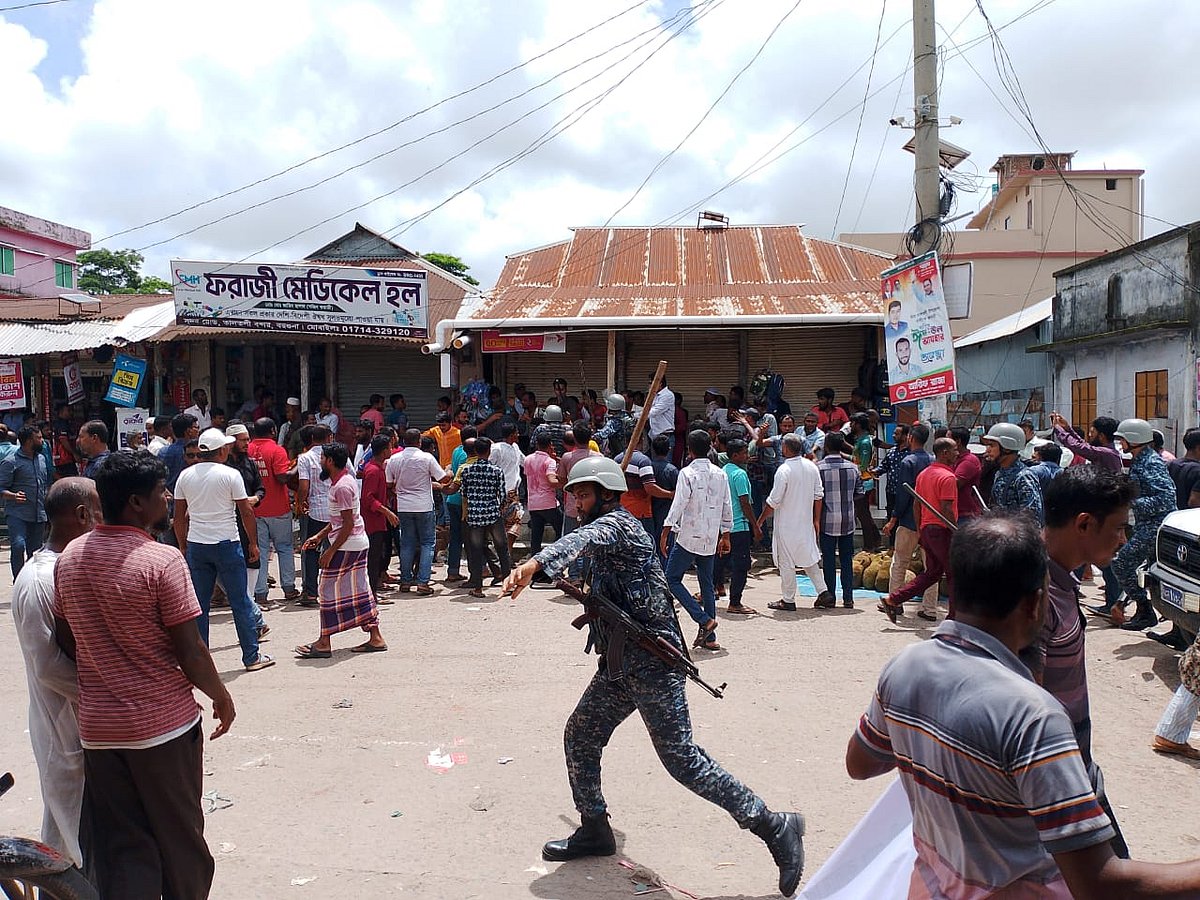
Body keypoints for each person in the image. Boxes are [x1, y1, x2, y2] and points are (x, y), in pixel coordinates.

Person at [846, 512, 1200, 898]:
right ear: (1036, 603)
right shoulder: (1034, 716)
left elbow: (860, 763)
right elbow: (1099, 884)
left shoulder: (905, 666)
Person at [502, 457, 806, 898]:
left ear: (607, 495)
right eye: (576, 494)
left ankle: (774, 825)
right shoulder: (603, 529)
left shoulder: (619, 526)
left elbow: (588, 537)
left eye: (584, 494)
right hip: (619, 666)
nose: (577, 502)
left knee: (681, 759)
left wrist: (534, 564)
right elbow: (587, 550)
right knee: (581, 735)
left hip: (653, 665)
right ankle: (595, 828)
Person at [53, 451, 235, 899]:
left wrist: (107, 664)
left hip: (98, 730)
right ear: (136, 502)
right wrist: (221, 696)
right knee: (182, 843)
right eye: (161, 491)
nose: (168, 497)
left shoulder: (70, 557)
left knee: (124, 847)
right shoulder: (161, 560)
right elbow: (190, 650)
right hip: (160, 727)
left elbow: (66, 636)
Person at [1040, 467, 1134, 856]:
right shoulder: (1034, 598)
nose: (1124, 540)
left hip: (1077, 762)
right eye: (1118, 528)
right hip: (1054, 777)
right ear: (1083, 524)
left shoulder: (1061, 582)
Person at [12, 477, 99, 867]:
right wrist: (102, 693)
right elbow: (47, 665)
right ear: (82, 515)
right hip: (64, 724)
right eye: (100, 511)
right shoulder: (38, 580)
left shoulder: (67, 567)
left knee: (68, 831)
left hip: (78, 725)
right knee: (70, 832)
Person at [174, 428, 273, 672]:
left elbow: (178, 517)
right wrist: (252, 542)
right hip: (227, 544)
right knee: (240, 601)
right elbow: (246, 511)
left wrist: (183, 545)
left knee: (199, 605)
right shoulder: (230, 475)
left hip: (198, 545)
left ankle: (200, 662)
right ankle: (251, 656)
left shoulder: (185, 476)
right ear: (221, 450)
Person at [296, 442, 388, 657]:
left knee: (327, 591)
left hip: (347, 544)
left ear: (329, 461)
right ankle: (375, 636)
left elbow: (347, 524)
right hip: (352, 542)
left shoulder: (342, 486)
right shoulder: (342, 482)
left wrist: (330, 550)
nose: (320, 462)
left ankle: (324, 641)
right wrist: (320, 536)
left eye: (322, 459)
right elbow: (341, 519)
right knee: (360, 590)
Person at [661, 430, 732, 652]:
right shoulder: (720, 473)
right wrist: (726, 533)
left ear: (689, 450)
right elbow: (727, 504)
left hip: (688, 536)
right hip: (710, 536)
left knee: (671, 579)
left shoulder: (687, 473)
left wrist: (665, 530)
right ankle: (710, 637)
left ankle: (702, 619)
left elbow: (679, 503)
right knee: (707, 584)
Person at [1111, 417, 1177, 631]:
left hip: (1154, 527)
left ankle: (1145, 609)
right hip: (1145, 526)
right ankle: (1167, 623)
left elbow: (1166, 498)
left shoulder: (1151, 462)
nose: (1121, 445)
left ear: (1134, 439)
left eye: (1123, 440)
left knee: (1121, 563)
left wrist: (1131, 502)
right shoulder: (1141, 460)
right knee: (1157, 574)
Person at [883, 437, 958, 623]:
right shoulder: (948, 477)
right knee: (954, 572)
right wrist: (956, 531)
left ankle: (893, 599)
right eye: (955, 450)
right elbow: (947, 508)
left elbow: (917, 504)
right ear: (945, 453)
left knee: (932, 573)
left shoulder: (924, 474)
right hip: (942, 530)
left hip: (927, 528)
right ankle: (955, 618)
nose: (958, 453)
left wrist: (920, 529)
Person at [759, 433, 833, 611]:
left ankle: (788, 599)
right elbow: (819, 496)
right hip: (805, 522)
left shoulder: (784, 470)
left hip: (786, 525)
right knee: (808, 559)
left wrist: (760, 520)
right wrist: (815, 519)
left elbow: (773, 501)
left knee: (786, 562)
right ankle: (824, 592)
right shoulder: (811, 467)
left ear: (785, 448)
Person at [882, 424, 936, 618]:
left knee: (900, 562)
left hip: (909, 521)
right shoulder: (932, 460)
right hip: (930, 520)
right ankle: (929, 609)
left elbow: (904, 494)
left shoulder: (908, 461)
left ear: (911, 438)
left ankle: (895, 602)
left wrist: (893, 518)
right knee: (931, 567)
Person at [387, 427, 448, 595]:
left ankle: (405, 581)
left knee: (407, 543)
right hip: (424, 506)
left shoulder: (394, 459)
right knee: (427, 543)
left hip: (404, 506)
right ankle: (422, 582)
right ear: (419, 442)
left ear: (403, 442)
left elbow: (389, 483)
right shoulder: (426, 458)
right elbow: (443, 478)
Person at [451, 436, 513, 598]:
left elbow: (463, 493)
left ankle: (478, 587)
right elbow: (502, 494)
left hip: (474, 516)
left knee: (476, 551)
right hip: (493, 514)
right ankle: (507, 585)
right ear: (489, 451)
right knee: (502, 549)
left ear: (476, 451)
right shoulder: (496, 471)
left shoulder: (466, 471)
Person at [816, 432, 863, 610]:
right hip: (847, 520)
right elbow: (860, 493)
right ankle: (848, 598)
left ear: (826, 447)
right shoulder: (853, 468)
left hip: (826, 520)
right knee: (846, 561)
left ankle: (830, 597)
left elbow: (815, 496)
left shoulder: (818, 468)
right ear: (842, 445)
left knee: (828, 561)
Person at [715, 438, 760, 614]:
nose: (747, 456)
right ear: (735, 455)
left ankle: (709, 590)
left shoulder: (723, 471)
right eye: (744, 453)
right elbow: (744, 502)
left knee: (720, 561)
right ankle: (735, 602)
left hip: (723, 526)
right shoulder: (740, 474)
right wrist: (755, 526)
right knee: (742, 565)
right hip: (739, 526)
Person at [0, 423, 49, 577]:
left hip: (38, 513)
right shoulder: (10, 461)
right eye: (39, 438)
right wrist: (13, 496)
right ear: (28, 441)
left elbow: (45, 484)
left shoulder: (41, 459)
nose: (42, 441)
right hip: (17, 513)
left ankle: (32, 583)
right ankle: (19, 581)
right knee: (18, 545)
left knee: (35, 553)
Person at [360, 434, 399, 601]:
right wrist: (387, 512)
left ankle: (373, 593)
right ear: (384, 452)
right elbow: (368, 499)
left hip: (377, 521)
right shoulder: (373, 471)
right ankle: (371, 595)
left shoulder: (377, 468)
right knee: (373, 559)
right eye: (390, 447)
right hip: (372, 522)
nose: (392, 450)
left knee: (376, 557)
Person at [982, 422, 1044, 523]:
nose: (987, 450)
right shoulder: (999, 473)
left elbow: (1033, 518)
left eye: (992, 445)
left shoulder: (1024, 477)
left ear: (1006, 447)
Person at [443, 425, 477, 582]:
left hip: (453, 501)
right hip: (464, 502)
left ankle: (452, 570)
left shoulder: (457, 450)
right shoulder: (468, 456)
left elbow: (451, 467)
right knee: (472, 538)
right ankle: (477, 570)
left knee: (456, 537)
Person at [524, 431, 562, 556]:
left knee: (536, 536)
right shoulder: (549, 461)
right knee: (561, 530)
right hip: (548, 503)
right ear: (550, 444)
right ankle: (552, 556)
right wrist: (564, 483)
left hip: (533, 503)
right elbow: (551, 480)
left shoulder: (527, 459)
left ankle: (535, 564)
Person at [848, 413, 881, 551]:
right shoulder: (861, 440)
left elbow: (862, 465)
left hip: (864, 482)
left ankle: (870, 545)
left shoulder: (865, 442)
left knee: (863, 515)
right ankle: (875, 540)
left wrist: (845, 458)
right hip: (861, 482)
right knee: (864, 514)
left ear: (858, 424)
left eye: (852, 423)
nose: (850, 426)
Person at [490, 422, 525, 550]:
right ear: (511, 435)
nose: (518, 435)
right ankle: (504, 553)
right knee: (509, 522)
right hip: (500, 492)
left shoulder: (515, 447)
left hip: (513, 492)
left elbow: (524, 462)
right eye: (516, 433)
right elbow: (489, 465)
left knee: (514, 521)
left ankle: (505, 552)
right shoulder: (497, 448)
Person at [561, 423, 600, 534]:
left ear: (574, 438)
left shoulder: (567, 457)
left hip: (572, 506)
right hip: (592, 506)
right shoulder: (598, 457)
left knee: (568, 543)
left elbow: (562, 481)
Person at [648, 434, 679, 559]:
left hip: (649, 512)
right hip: (667, 514)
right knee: (666, 546)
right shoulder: (672, 470)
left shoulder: (647, 467)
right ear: (669, 449)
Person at [949, 426, 983, 519]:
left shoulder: (969, 461)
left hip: (966, 513)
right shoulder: (953, 459)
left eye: (948, 439)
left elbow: (954, 484)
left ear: (958, 442)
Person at [162, 413, 200, 492]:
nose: (198, 430)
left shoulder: (163, 451)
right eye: (196, 427)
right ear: (189, 431)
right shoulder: (196, 452)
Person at [594, 393, 635, 457]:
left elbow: (602, 434)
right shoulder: (628, 417)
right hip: (631, 451)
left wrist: (591, 435)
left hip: (619, 454)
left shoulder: (615, 421)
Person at [1168, 428, 1200, 511]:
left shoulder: (1171, 464)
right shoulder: (1198, 470)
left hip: (1171, 518)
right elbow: (1194, 501)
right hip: (1189, 519)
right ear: (1198, 447)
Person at [648, 374, 676, 453]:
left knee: (664, 463)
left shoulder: (667, 395)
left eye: (651, 383)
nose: (649, 385)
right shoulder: (655, 395)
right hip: (655, 436)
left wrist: (636, 415)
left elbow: (654, 411)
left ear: (659, 383)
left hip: (665, 437)